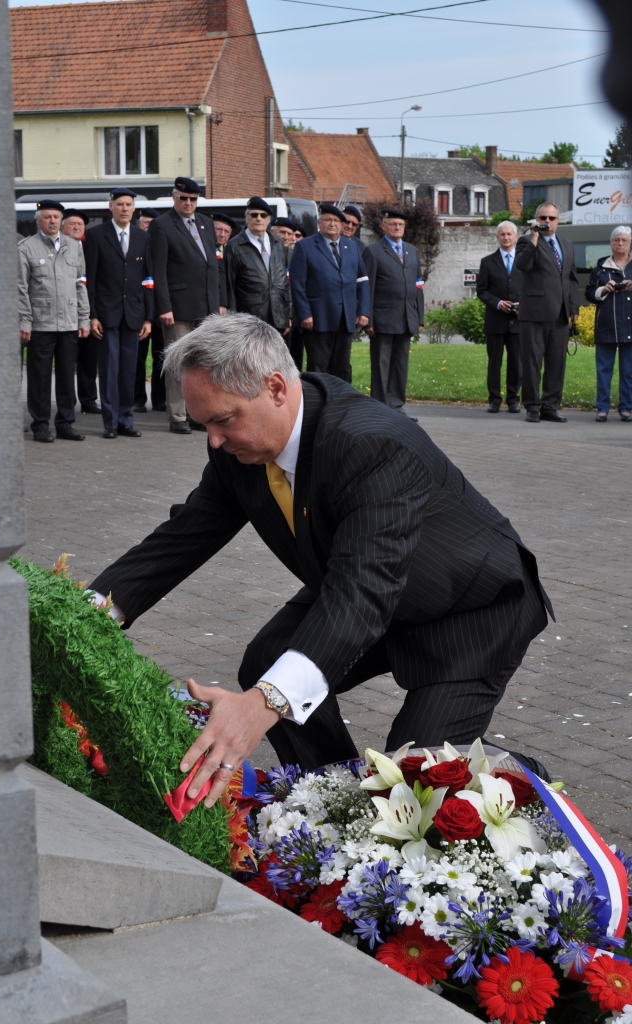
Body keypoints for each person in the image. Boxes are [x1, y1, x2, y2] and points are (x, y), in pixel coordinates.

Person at [89, 313, 553, 804]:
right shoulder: (240, 450)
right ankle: (331, 797)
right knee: (272, 660)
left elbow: (362, 592)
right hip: (372, 586)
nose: (214, 441)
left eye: (223, 420)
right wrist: (86, 613)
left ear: (274, 388)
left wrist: (260, 706)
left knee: (414, 783)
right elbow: (183, 538)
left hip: (470, 610)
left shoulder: (372, 443)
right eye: (205, 424)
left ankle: (525, 776)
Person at [150, 176, 227, 435]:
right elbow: (158, 271)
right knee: (179, 363)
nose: (188, 203)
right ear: (174, 197)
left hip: (206, 307)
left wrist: (219, 304)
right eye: (183, 198)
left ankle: (196, 413)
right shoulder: (162, 225)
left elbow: (214, 265)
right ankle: (177, 415)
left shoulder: (206, 223)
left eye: (193, 199)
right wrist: (164, 307)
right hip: (178, 307)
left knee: (202, 365)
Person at [18, 199, 90, 443]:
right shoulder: (26, 247)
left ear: (61, 220)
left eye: (56, 217)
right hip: (41, 323)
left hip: (69, 322)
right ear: (39, 220)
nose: (52, 221)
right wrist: (25, 321)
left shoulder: (74, 245)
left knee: (67, 375)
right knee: (39, 378)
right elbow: (21, 288)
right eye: (47, 217)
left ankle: (65, 423)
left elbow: (80, 284)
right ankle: (40, 425)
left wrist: (84, 318)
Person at [83, 188, 153, 439]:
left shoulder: (142, 237)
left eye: (129, 204)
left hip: (134, 314)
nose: (125, 208)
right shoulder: (95, 236)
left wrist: (148, 317)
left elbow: (148, 279)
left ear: (134, 209)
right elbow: (89, 278)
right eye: (120, 204)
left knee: (129, 370)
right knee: (110, 370)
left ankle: (126, 420)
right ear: (110, 207)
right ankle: (110, 423)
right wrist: (91, 315)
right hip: (106, 315)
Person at [289, 203, 370, 382]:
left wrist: (363, 310)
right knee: (318, 367)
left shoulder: (352, 247)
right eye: (328, 220)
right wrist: (304, 313)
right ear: (319, 223)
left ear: (341, 225)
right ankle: (318, 406)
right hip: (318, 318)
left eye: (336, 220)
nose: (332, 224)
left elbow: (362, 280)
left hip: (346, 317)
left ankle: (341, 405)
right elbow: (297, 283)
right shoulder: (305, 246)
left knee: (342, 367)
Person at [515, 203, 579, 423]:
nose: (547, 221)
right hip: (534, 313)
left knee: (556, 363)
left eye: (552, 218)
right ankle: (532, 406)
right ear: (536, 220)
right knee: (532, 363)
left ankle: (550, 406)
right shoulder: (526, 241)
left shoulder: (567, 245)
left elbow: (571, 278)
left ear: (558, 221)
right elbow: (522, 266)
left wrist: (574, 307)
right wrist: (533, 237)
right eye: (543, 217)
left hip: (560, 313)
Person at [363, 209, 424, 419]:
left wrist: (420, 317)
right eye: (393, 224)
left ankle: (397, 407)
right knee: (381, 364)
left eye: (400, 224)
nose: (397, 227)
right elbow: (368, 287)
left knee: (400, 365)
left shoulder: (412, 251)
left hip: (407, 317)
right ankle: (381, 407)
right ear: (383, 227)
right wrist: (368, 318)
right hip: (382, 318)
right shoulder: (373, 251)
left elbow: (418, 286)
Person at [585, 224, 632, 422]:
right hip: (606, 325)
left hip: (630, 327)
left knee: (629, 371)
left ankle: (626, 408)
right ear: (611, 244)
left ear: (629, 244)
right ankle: (602, 408)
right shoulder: (601, 267)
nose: (620, 244)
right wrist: (604, 289)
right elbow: (589, 294)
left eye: (624, 240)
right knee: (603, 370)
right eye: (616, 240)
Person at [224, 197, 291, 335]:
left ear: (268, 219)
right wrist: (231, 320)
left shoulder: (277, 242)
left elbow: (285, 279)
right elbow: (229, 285)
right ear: (246, 218)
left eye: (263, 215)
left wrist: (287, 314)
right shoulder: (234, 246)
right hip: (250, 317)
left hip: (278, 316)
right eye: (254, 215)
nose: (258, 219)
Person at [476, 221, 523, 414]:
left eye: (509, 234)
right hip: (496, 320)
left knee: (516, 363)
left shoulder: (524, 260)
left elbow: (532, 287)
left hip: (519, 320)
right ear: (497, 238)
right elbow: (482, 290)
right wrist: (497, 303)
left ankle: (513, 400)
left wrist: (524, 304)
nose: (506, 238)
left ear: (515, 237)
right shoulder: (487, 262)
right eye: (502, 234)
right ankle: (494, 400)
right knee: (494, 362)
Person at [61, 209, 101, 416]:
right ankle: (67, 403)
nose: (77, 227)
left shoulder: (90, 247)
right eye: (72, 224)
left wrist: (92, 314)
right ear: (62, 227)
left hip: (88, 312)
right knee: (67, 363)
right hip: (64, 314)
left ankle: (89, 400)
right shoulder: (57, 248)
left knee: (88, 361)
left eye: (80, 224)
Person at [133, 207, 166, 413]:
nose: (149, 227)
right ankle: (137, 399)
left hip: (161, 310)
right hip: (139, 309)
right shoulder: (134, 244)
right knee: (138, 357)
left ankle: (160, 399)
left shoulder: (162, 245)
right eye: (146, 223)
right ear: (139, 224)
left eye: (153, 224)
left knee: (161, 356)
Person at [271, 217, 304, 369]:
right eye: (282, 232)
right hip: (273, 313)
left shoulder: (295, 255)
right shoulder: (268, 252)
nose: (286, 237)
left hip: (294, 315)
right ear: (272, 232)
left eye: (289, 234)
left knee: (293, 358)